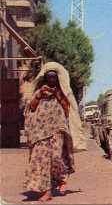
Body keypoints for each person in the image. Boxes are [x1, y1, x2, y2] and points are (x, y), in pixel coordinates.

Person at [24, 62, 86, 201]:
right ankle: (47, 191)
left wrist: (57, 94)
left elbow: (67, 108)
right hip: (40, 132)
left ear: (57, 78)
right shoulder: (40, 91)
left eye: (54, 77)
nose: (51, 79)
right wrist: (40, 94)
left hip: (57, 129)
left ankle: (63, 179)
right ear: (45, 78)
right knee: (41, 161)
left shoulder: (61, 92)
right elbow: (31, 107)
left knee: (56, 157)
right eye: (49, 76)